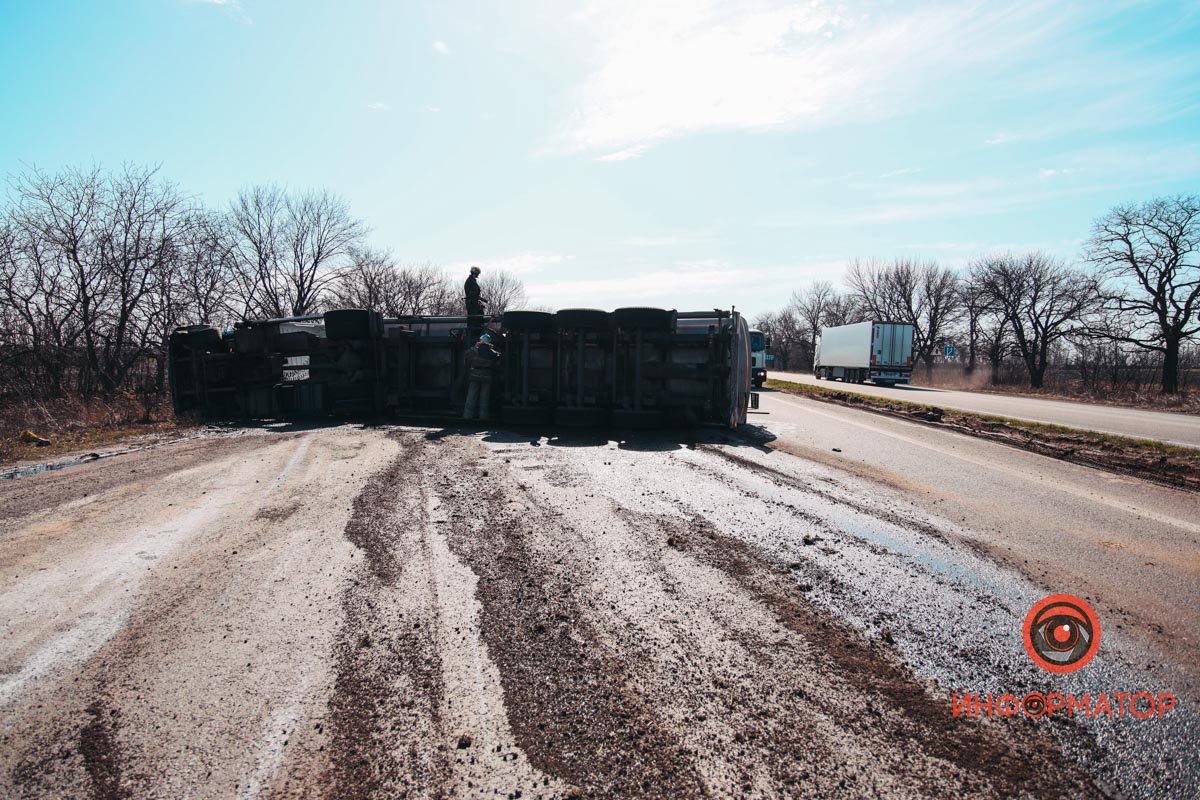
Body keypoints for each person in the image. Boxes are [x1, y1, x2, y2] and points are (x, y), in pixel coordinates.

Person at [463, 332, 500, 421]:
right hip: (487, 376)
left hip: (474, 375)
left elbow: (467, 359)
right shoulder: (493, 353)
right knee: (485, 396)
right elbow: (497, 362)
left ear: (480, 341)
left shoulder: (473, 351)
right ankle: (483, 416)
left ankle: (468, 415)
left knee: (471, 395)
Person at [464, 266, 486, 339]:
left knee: (478, 316)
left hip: (473, 302)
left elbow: (474, 293)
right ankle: (474, 333)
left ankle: (477, 331)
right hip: (472, 303)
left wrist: (481, 300)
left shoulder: (472, 280)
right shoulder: (471, 281)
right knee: (473, 319)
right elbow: (472, 293)